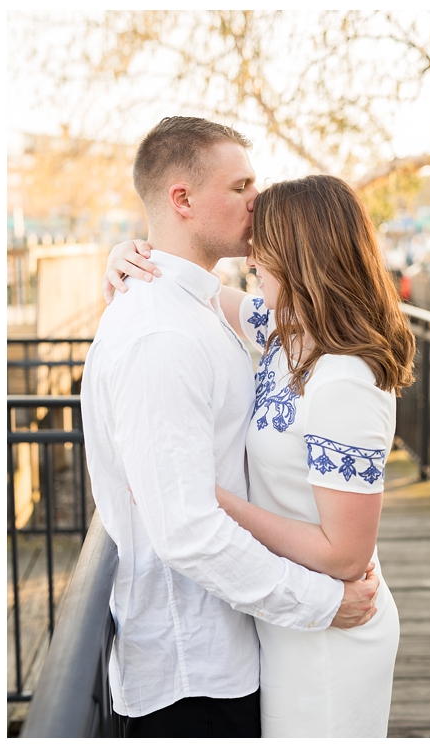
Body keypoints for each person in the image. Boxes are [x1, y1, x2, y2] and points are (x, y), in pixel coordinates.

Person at [82, 116, 379, 738]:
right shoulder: (161, 334)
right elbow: (187, 530)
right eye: (241, 185)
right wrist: (323, 603)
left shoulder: (223, 313)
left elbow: (348, 305)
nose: (257, 201)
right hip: (193, 668)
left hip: (247, 638)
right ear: (182, 199)